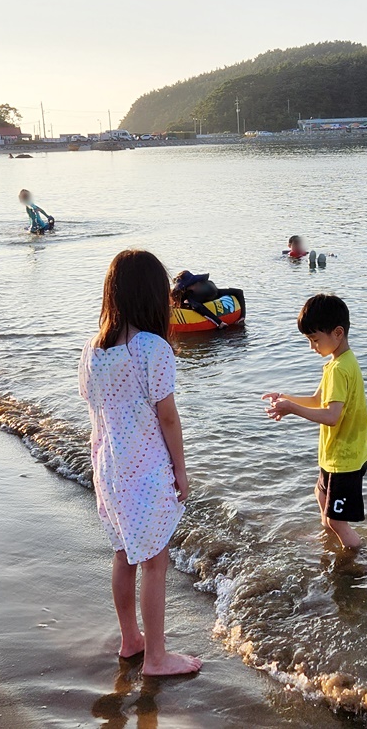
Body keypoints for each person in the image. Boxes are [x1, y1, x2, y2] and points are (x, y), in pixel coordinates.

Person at [78, 250, 202, 676]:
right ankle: (156, 657)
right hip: (145, 470)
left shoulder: (92, 349)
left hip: (108, 468)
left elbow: (94, 407)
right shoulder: (153, 348)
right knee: (154, 562)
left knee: (123, 555)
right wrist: (181, 469)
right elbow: (167, 417)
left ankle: (132, 639)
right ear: (152, 295)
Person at [262, 294, 367, 550]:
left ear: (338, 333)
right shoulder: (339, 362)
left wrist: (291, 409)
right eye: (309, 340)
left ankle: (358, 558)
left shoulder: (339, 369)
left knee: (337, 520)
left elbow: (332, 416)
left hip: (345, 459)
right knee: (320, 495)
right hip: (336, 455)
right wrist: (286, 397)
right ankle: (329, 543)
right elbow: (318, 400)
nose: (312, 347)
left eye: (315, 339)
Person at [171, 271, 246, 329]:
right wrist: (219, 323)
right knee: (188, 302)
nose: (197, 286)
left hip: (212, 295)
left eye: (196, 284)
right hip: (189, 301)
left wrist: (242, 316)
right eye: (193, 285)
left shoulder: (209, 287)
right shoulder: (189, 295)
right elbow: (198, 307)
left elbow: (239, 292)